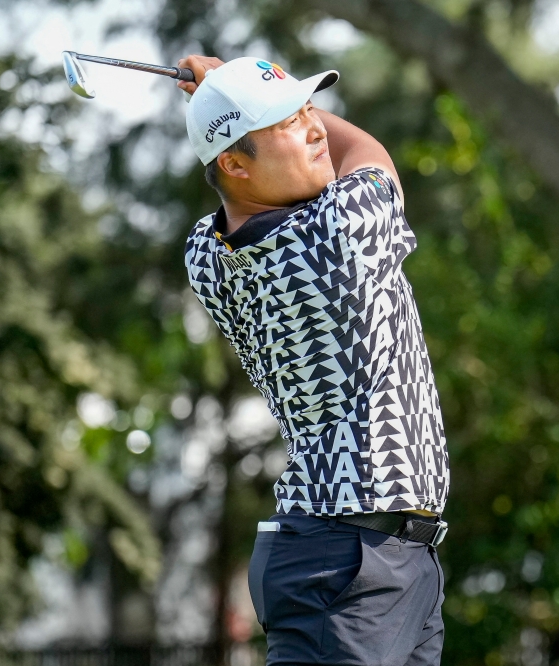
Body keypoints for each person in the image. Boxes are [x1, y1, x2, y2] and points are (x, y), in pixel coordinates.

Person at [178, 54, 451, 666]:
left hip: (373, 557)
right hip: (348, 562)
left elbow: (242, 192)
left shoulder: (206, 256)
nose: (315, 128)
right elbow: (371, 156)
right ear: (234, 163)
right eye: (288, 122)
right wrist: (223, 92)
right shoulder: (338, 234)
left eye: (308, 110)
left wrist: (229, 104)